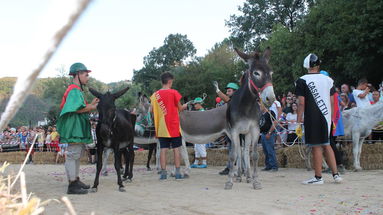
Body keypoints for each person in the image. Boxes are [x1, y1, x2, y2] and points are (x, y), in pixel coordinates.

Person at [295, 53, 343, 184]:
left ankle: (318, 177)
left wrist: (299, 120)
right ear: (318, 65)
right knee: (327, 145)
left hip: (312, 118)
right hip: (326, 117)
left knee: (316, 146)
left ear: (306, 66)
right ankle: (336, 175)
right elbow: (333, 101)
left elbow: (301, 103)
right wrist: (332, 118)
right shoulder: (328, 80)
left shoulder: (302, 80)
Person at [56, 62, 99, 194]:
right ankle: (72, 184)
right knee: (73, 154)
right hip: (74, 126)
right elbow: (78, 109)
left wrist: (91, 104)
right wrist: (92, 107)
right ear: (78, 74)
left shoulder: (77, 90)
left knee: (76, 154)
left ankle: (75, 180)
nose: (88, 77)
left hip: (77, 125)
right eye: (86, 74)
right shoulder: (74, 90)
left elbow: (80, 107)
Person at [150, 72, 187, 180]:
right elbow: (180, 108)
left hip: (162, 127)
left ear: (162, 81)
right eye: (172, 82)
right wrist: (184, 106)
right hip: (174, 126)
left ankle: (163, 174)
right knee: (176, 149)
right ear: (169, 81)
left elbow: (152, 110)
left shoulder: (154, 95)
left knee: (163, 150)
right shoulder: (174, 92)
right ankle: (178, 173)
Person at [213, 81, 240, 175]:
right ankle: (231, 167)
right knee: (232, 149)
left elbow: (226, 99)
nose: (227, 93)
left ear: (235, 92)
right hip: (231, 128)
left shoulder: (236, 100)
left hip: (236, 129)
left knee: (234, 149)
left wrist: (217, 90)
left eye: (229, 91)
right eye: (227, 91)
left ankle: (232, 168)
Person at [190, 97, 208, 168]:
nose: (194, 105)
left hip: (201, 132)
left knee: (201, 146)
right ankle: (196, 162)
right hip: (197, 131)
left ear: (199, 104)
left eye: (195, 104)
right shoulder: (199, 112)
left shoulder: (203, 112)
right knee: (196, 146)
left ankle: (204, 162)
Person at [260, 104, 278, 171]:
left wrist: (269, 132)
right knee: (266, 151)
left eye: (260, 106)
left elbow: (275, 122)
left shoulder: (270, 113)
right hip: (263, 134)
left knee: (270, 150)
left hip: (269, 134)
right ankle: (268, 166)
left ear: (264, 106)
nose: (259, 107)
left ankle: (274, 166)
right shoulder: (262, 114)